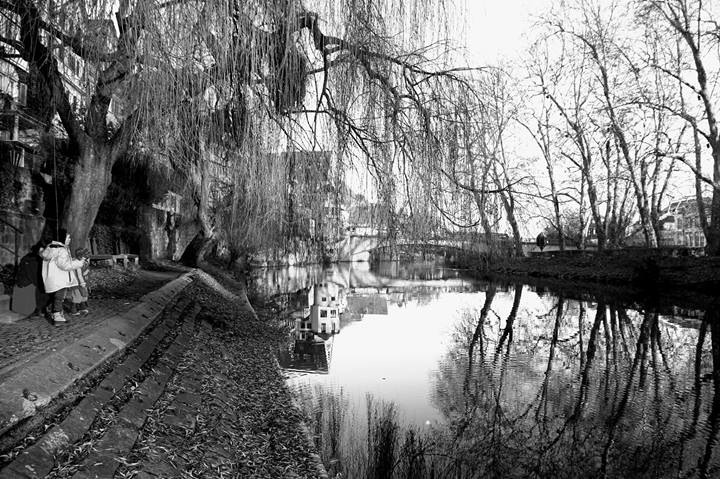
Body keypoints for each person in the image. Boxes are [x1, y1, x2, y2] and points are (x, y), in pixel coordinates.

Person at [40, 229, 88, 323]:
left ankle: (55, 312)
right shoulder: (61, 249)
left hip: (53, 279)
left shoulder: (51, 248)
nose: (69, 239)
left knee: (56, 297)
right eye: (68, 237)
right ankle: (57, 316)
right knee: (59, 297)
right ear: (62, 238)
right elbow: (65, 265)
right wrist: (80, 262)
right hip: (60, 279)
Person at [11, 241, 48, 317]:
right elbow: (33, 276)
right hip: (26, 281)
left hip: (26, 279)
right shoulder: (33, 260)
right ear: (37, 251)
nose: (43, 253)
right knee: (42, 287)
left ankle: (42, 308)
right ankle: (39, 309)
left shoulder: (33, 258)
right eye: (41, 251)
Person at [68, 247, 90, 316]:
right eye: (84, 257)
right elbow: (79, 274)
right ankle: (73, 310)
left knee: (83, 294)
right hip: (76, 282)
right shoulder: (77, 263)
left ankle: (82, 307)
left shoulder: (81, 261)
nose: (85, 258)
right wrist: (82, 282)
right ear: (80, 256)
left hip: (81, 281)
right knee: (77, 296)